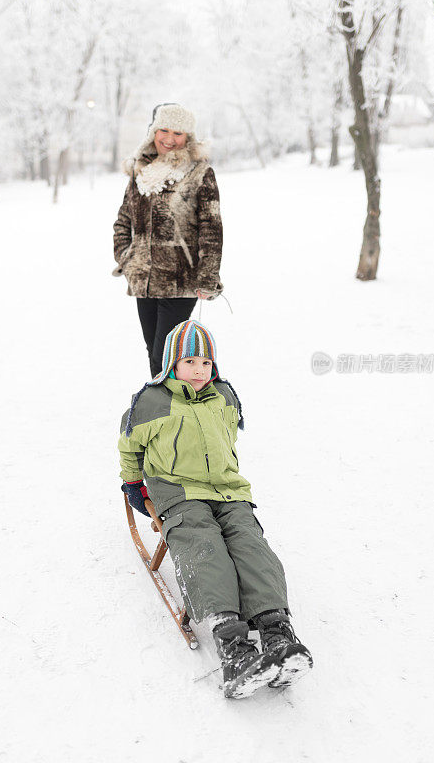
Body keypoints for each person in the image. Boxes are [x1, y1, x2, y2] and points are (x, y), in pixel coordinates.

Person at [118, 320, 313, 698]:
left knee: (250, 544)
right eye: (189, 361)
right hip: (178, 493)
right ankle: (233, 647)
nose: (198, 371)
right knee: (204, 547)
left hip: (227, 489)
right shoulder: (151, 402)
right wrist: (133, 484)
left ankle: (277, 631)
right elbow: (130, 446)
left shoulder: (224, 395)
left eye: (206, 363)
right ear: (171, 363)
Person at [112, 103, 224, 378]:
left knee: (167, 356)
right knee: (154, 352)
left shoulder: (199, 172)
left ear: (188, 138)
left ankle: (172, 413)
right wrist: (125, 258)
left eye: (178, 132)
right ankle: (165, 413)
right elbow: (123, 220)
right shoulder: (141, 170)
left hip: (181, 281)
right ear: (153, 132)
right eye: (163, 129)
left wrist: (207, 277)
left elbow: (211, 228)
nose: (169, 138)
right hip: (143, 280)